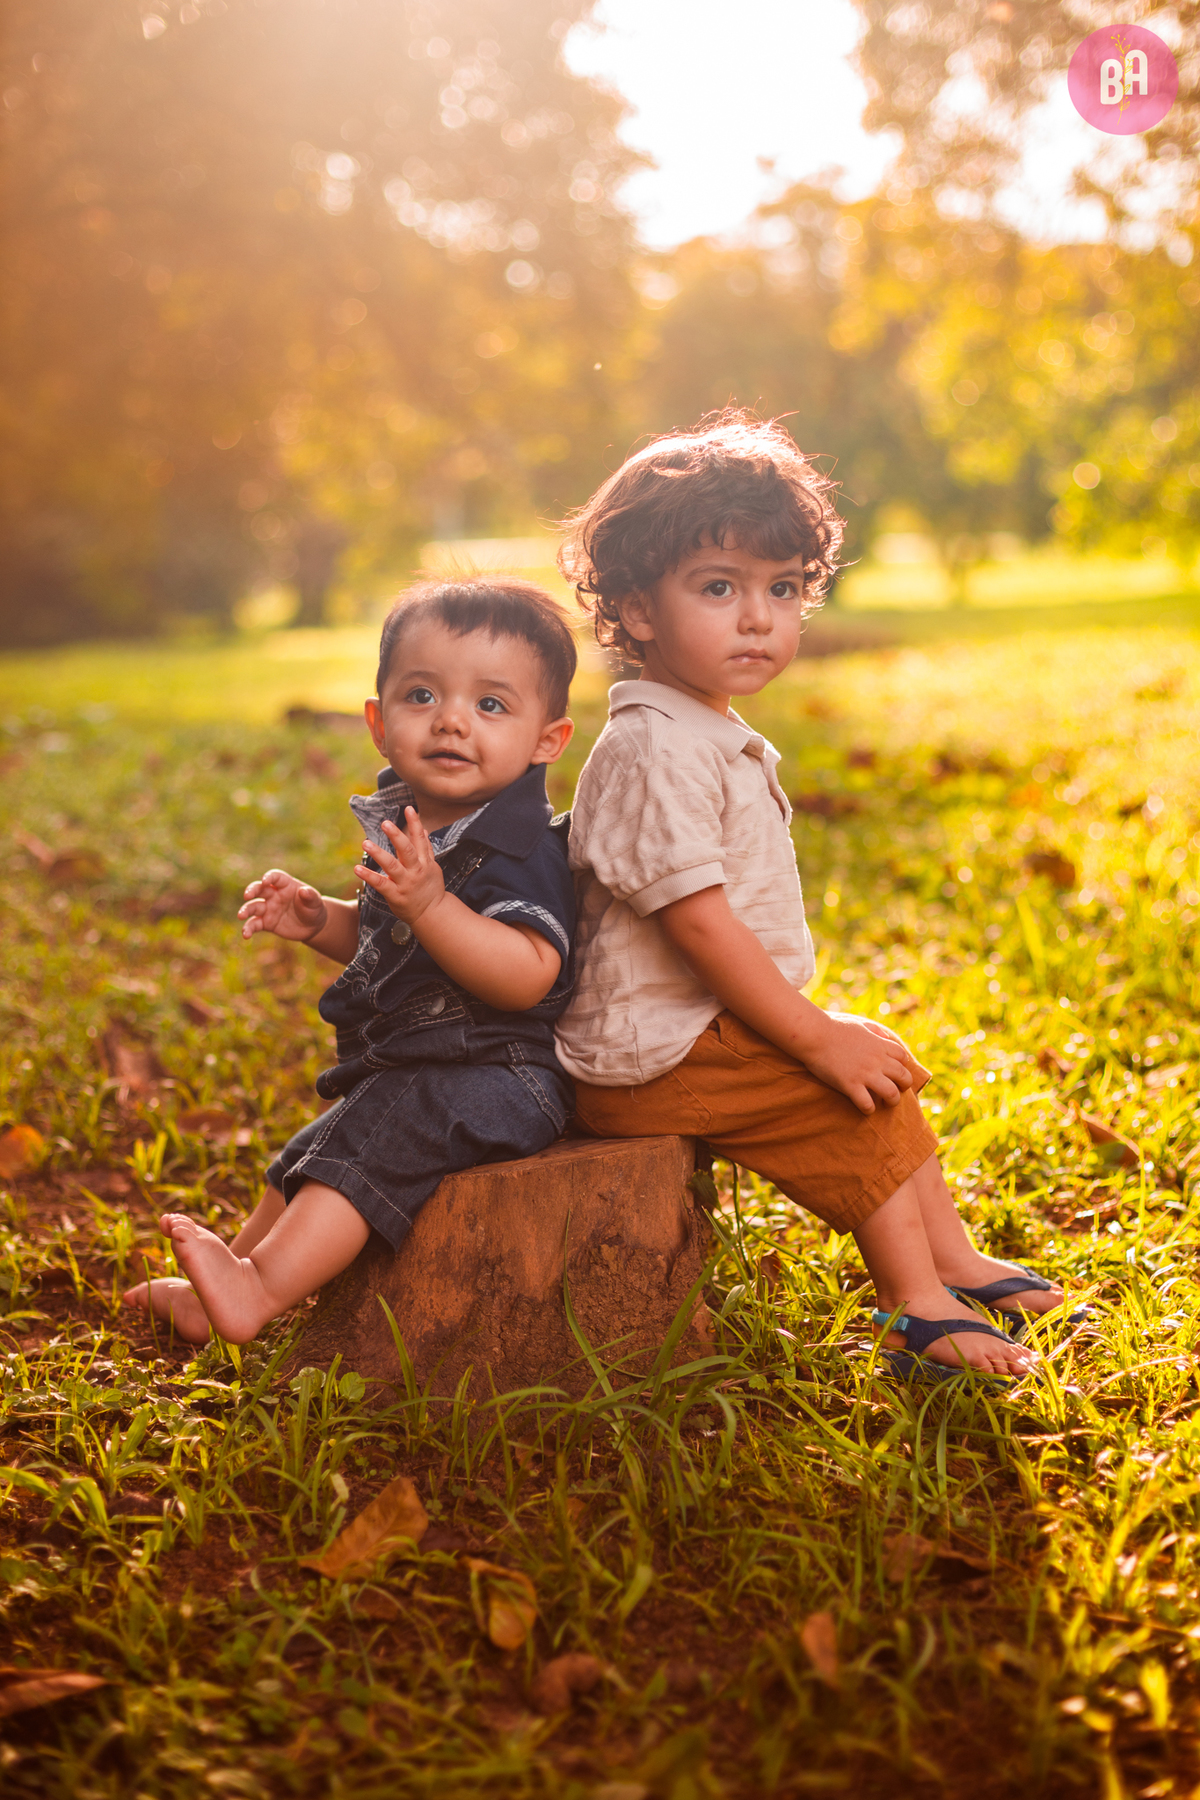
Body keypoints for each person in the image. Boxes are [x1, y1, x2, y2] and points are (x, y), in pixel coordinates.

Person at [554, 410, 1066, 1379]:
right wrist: (810, 1034)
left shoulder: (702, 730)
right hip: (648, 1056)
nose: (758, 617)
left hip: (699, 1027)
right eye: (719, 588)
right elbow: (697, 925)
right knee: (840, 1091)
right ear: (636, 610)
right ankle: (914, 1311)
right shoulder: (652, 747)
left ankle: (949, 1259)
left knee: (879, 1061)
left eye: (782, 589)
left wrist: (830, 1029)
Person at [124, 580, 578, 1345]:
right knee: (313, 1152)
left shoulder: (521, 845)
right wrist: (318, 921)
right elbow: (394, 947)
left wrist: (434, 907)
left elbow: (529, 972)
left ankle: (256, 1291)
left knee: (365, 1148)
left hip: (502, 1078)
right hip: (425, 1068)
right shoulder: (409, 824)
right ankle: (224, 1281)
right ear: (377, 722)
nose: (452, 720)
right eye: (422, 694)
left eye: (492, 705)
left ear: (546, 740)